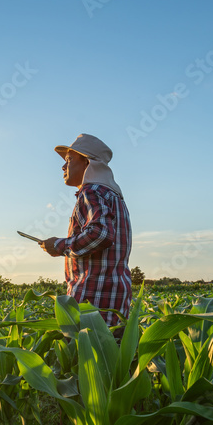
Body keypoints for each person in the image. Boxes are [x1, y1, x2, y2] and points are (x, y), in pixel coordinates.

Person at [39, 134, 132, 329]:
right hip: (116, 298)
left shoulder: (91, 192)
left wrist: (58, 245)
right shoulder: (114, 196)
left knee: (88, 357)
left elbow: (101, 234)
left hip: (93, 299)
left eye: (69, 160)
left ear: (87, 163)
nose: (63, 167)